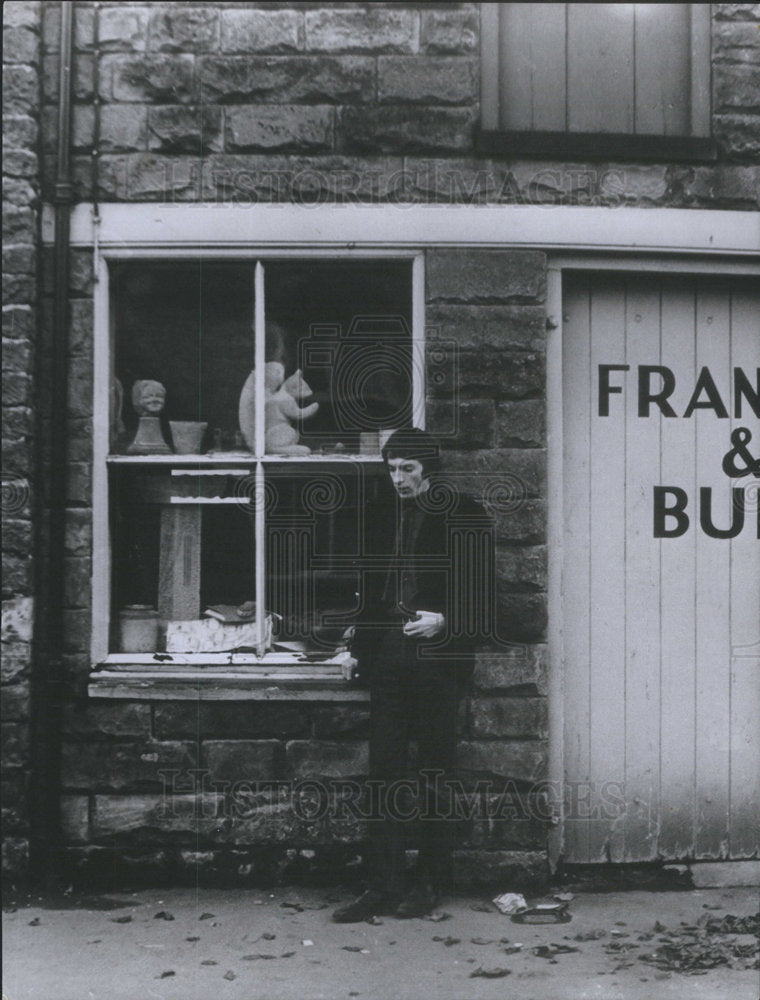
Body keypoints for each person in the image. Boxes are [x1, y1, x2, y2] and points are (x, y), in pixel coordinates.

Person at [333, 429, 495, 922]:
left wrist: (446, 620)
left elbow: (487, 598)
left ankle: (427, 882)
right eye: (392, 468)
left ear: (430, 469)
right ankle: (381, 885)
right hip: (388, 660)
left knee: (432, 774)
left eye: (408, 468)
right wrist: (355, 647)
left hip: (438, 662)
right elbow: (371, 592)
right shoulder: (381, 516)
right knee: (383, 773)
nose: (398, 478)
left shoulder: (464, 514)